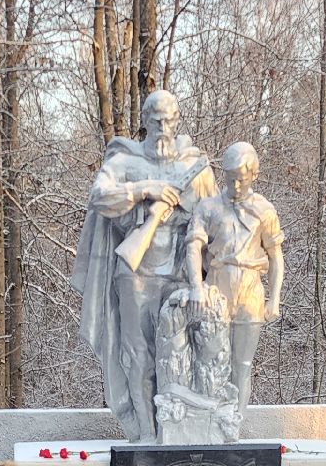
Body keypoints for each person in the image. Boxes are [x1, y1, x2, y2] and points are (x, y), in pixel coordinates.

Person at [72, 90, 219, 441]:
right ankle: (146, 435)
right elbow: (99, 196)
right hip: (136, 273)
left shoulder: (195, 167)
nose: (162, 127)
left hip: (182, 274)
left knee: (181, 358)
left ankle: (177, 433)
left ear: (178, 120)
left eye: (168, 120)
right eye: (155, 120)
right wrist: (145, 190)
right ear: (144, 120)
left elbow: (215, 221)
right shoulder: (125, 161)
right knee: (138, 358)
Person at [185, 141, 285, 408]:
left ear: (254, 175)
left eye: (241, 179)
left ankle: (235, 422)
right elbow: (193, 247)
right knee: (211, 361)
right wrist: (196, 286)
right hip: (216, 287)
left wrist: (274, 299)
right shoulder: (208, 207)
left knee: (242, 364)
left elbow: (276, 257)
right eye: (230, 179)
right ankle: (211, 419)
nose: (236, 185)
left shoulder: (264, 210)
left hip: (250, 290)